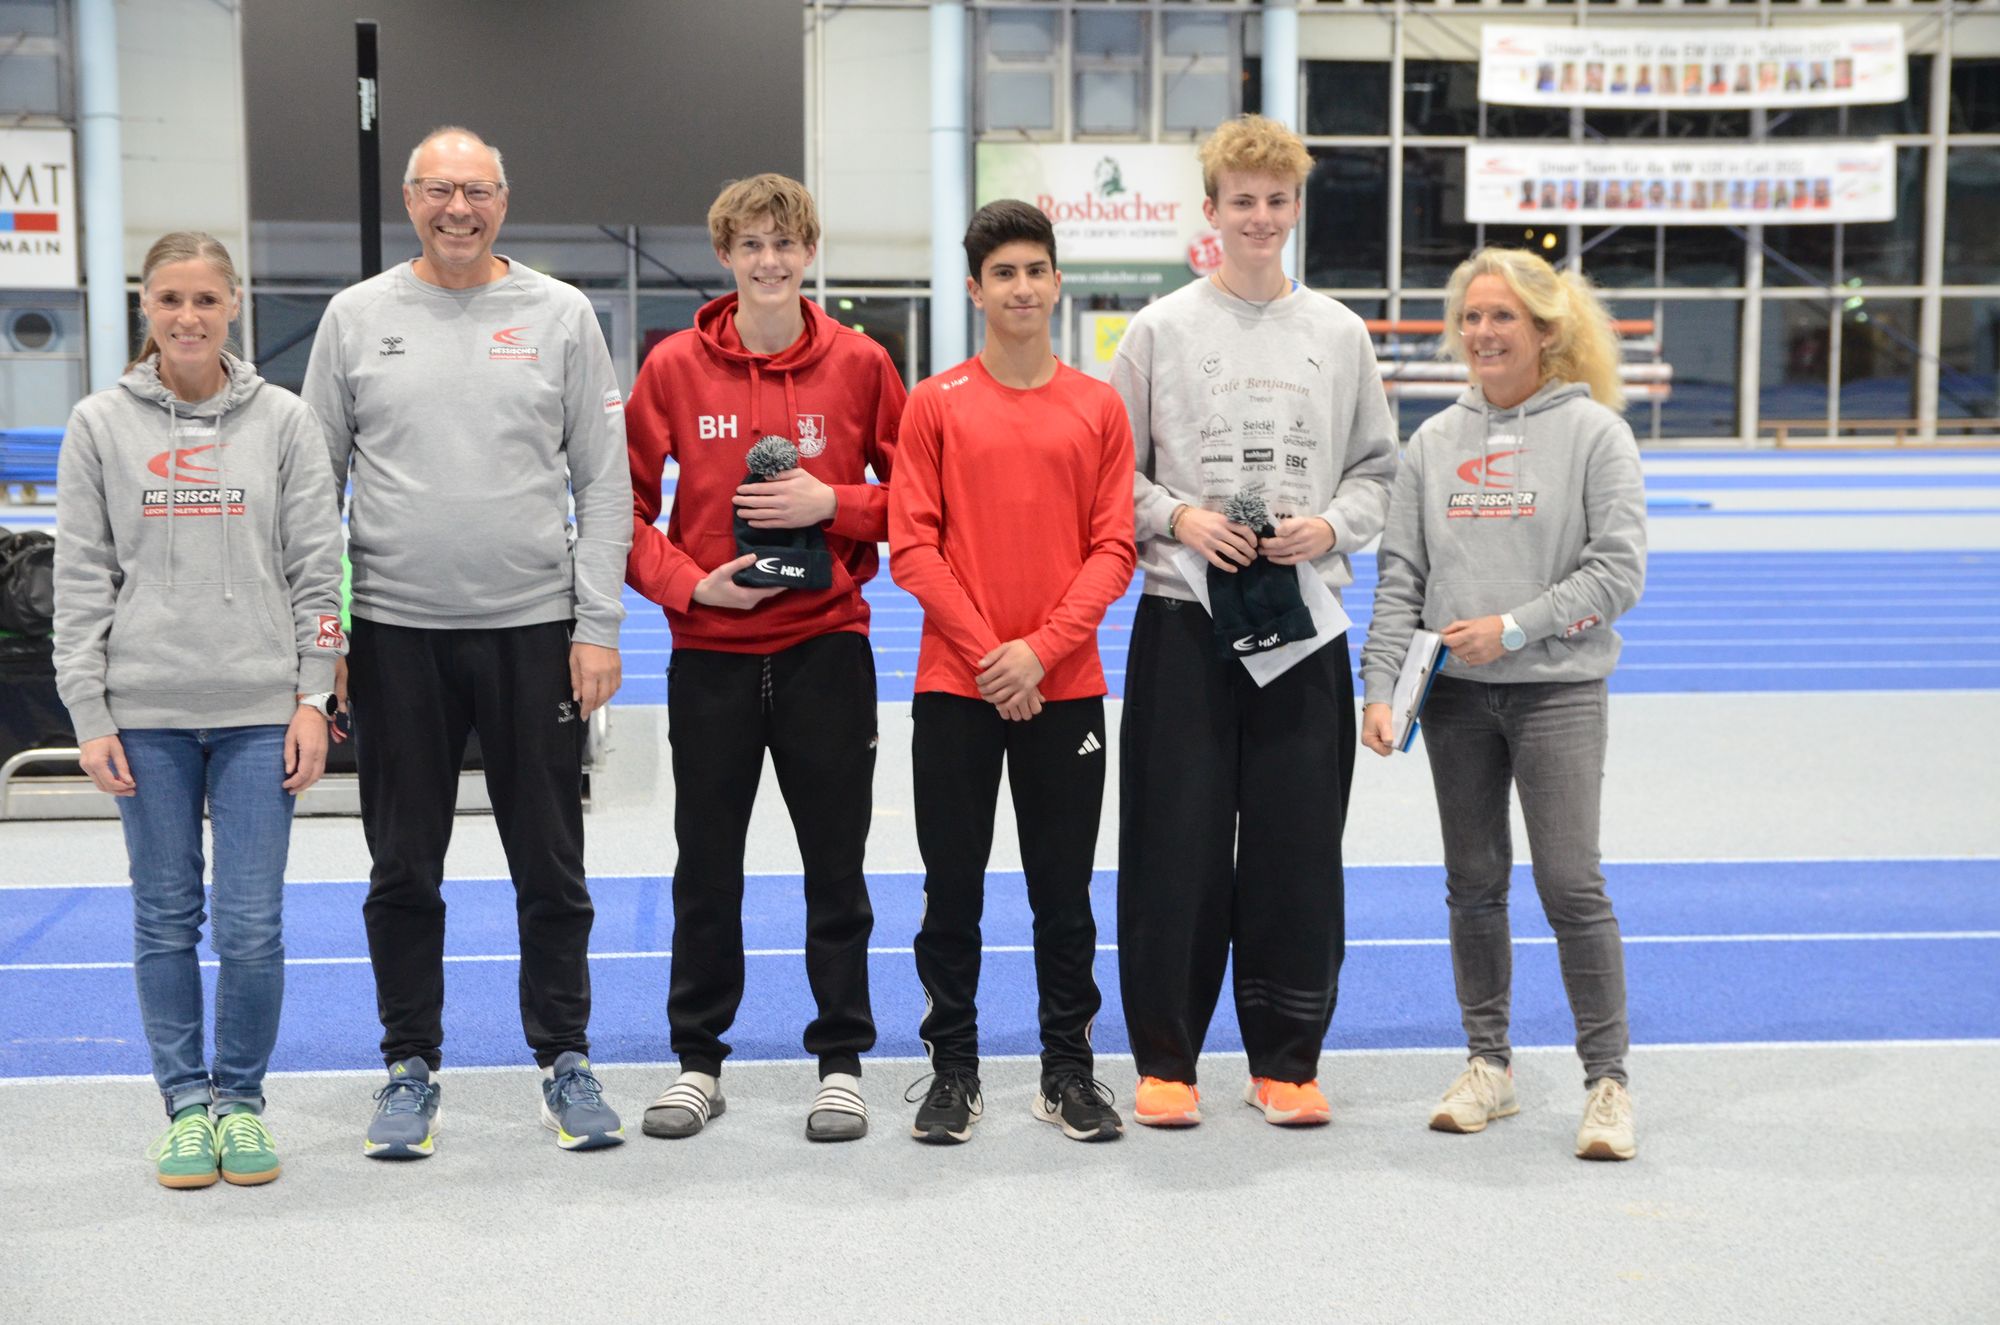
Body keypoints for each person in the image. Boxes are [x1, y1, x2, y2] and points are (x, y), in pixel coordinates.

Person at [301, 126, 632, 1156]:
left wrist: (597, 624)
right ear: (410, 200)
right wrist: (324, 639)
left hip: (534, 632)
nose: (458, 208)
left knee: (552, 864)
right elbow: (311, 491)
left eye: (477, 190)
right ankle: (409, 1063)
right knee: (403, 865)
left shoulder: (560, 314)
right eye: (439, 190)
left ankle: (564, 1056)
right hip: (394, 634)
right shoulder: (356, 317)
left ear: (503, 200)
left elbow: (604, 482)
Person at [1111, 115, 1396, 1130]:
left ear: (1294, 208)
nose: (1260, 217)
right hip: (1184, 616)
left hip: (1300, 620)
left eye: (1277, 201)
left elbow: (1376, 471)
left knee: (1296, 848)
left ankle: (1285, 1059)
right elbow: (1111, 475)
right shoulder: (1158, 330)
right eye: (1243, 200)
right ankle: (1167, 1061)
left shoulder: (1339, 333)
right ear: (1211, 210)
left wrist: (1329, 525)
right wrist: (1179, 518)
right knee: (1173, 845)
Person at [54, 231, 345, 1188]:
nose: (188, 317)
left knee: (252, 923)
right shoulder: (99, 424)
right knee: (165, 916)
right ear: (146, 306)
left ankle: (242, 1102)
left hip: (262, 710)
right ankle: (185, 1105)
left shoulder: (286, 421)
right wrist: (89, 711)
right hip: (145, 713)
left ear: (234, 306)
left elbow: (320, 570)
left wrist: (314, 696)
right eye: (170, 299)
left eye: (206, 299)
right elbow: (81, 580)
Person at [624, 173, 904, 1141]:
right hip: (710, 653)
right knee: (706, 869)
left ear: (809, 252)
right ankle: (697, 1062)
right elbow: (619, 509)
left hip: (827, 645)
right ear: (725, 256)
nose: (770, 260)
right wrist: (690, 585)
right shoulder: (672, 366)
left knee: (837, 866)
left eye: (785, 243)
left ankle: (841, 1063)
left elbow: (918, 497)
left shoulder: (862, 363)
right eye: (751, 244)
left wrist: (835, 503)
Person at [1357, 246, 1646, 1162]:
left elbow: (1619, 573)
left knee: (1571, 884)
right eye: (1472, 317)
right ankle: (1489, 1064)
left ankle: (1607, 1082)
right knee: (1474, 884)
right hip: (1454, 702)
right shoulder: (1433, 442)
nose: (1483, 333)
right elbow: (1401, 578)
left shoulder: (1597, 435)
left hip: (1556, 693)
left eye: (1502, 317)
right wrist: (1379, 686)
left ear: (1546, 331)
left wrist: (1515, 628)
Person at [889, 200, 1136, 1144]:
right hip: (957, 688)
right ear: (975, 289)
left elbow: (1114, 548)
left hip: (1065, 686)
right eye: (1004, 273)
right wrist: (997, 657)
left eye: (1035, 270)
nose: (1021, 287)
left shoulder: (1098, 407)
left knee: (1064, 896)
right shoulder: (935, 403)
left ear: (1057, 282)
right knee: (951, 892)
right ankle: (954, 1069)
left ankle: (1066, 1070)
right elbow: (914, 547)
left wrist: (1041, 650)